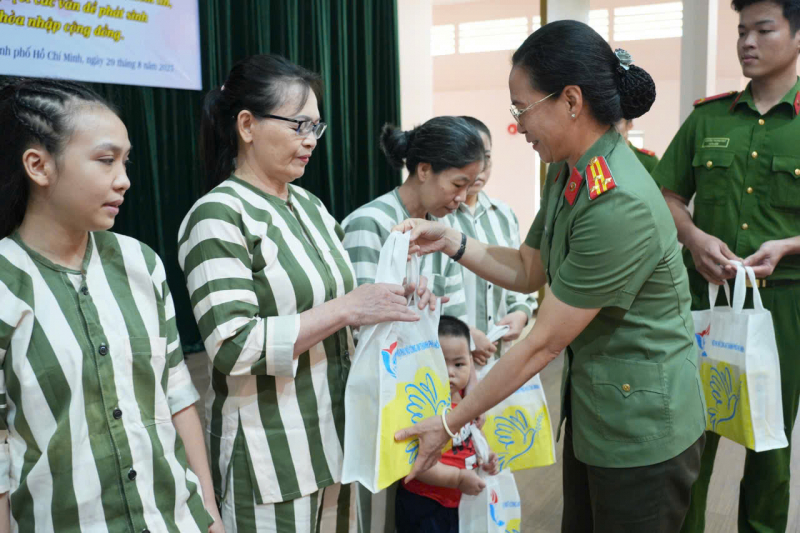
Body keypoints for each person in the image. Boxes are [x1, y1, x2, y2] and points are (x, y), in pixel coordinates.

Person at [392, 20, 708, 533]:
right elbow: (528, 267)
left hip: (644, 429)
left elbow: (542, 343)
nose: (517, 126)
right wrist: (453, 241)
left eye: (522, 108)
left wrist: (451, 421)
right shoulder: (569, 169)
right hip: (601, 413)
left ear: (571, 100)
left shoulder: (617, 202)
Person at [178, 54, 436, 533]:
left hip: (336, 433)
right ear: (247, 125)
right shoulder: (218, 214)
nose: (310, 140)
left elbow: (342, 305)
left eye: (317, 127)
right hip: (272, 450)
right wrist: (348, 308)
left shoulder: (311, 206)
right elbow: (232, 345)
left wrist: (393, 298)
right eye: (299, 125)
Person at [0, 78, 222, 532]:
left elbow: (178, 397)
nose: (123, 179)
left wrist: (210, 517)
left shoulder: (141, 262)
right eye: (105, 160)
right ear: (38, 166)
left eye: (125, 161)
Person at [653, 1, 800, 531]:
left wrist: (788, 245)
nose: (747, 42)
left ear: (797, 36)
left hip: (782, 304)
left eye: (763, 29)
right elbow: (666, 195)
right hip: (704, 302)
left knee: (769, 443)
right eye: (741, 31)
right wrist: (692, 237)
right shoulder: (709, 117)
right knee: (692, 437)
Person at [341, 116, 485, 533]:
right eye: (457, 184)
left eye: (470, 187)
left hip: (426, 394)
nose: (461, 198)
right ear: (423, 170)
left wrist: (467, 385)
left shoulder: (442, 230)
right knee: (379, 509)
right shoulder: (369, 224)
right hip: (381, 398)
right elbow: (358, 326)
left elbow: (452, 326)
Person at [395, 316, 499, 533]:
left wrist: (486, 455)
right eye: (441, 362)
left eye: (459, 364)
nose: (450, 372)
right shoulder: (420, 403)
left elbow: (471, 435)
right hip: (426, 502)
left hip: (460, 500)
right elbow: (415, 464)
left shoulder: (466, 398)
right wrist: (458, 478)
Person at [453, 116, 538, 359]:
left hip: (497, 354)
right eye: (469, 158)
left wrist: (521, 312)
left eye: (486, 158)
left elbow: (519, 272)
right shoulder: (437, 217)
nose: (479, 168)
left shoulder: (502, 214)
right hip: (448, 359)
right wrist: (464, 336)